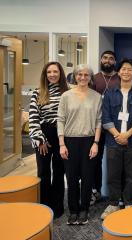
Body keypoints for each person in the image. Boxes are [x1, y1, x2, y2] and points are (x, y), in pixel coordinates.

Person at [100, 58, 132, 219]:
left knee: (131, 174)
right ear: (118, 72)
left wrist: (127, 135)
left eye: (129, 69)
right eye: (123, 69)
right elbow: (105, 118)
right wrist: (117, 135)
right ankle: (113, 204)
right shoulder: (109, 93)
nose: (126, 72)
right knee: (113, 174)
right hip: (113, 141)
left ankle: (129, 203)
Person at [57, 64, 102, 225]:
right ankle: (73, 210)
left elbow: (98, 122)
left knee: (88, 178)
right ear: (75, 76)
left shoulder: (96, 97)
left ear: (90, 77)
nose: (83, 77)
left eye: (86, 75)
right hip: (69, 140)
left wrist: (96, 143)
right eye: (80, 74)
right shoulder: (66, 96)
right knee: (72, 177)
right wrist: (62, 144)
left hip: (89, 141)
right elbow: (60, 120)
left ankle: (84, 210)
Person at [29, 62, 69, 218]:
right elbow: (33, 117)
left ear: (61, 74)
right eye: (49, 72)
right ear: (45, 75)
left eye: (55, 71)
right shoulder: (38, 93)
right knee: (44, 172)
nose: (52, 74)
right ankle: (45, 205)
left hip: (61, 135)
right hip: (43, 135)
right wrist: (40, 139)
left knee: (59, 172)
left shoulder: (67, 92)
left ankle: (58, 206)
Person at [91, 50, 120, 205]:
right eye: (105, 58)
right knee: (95, 160)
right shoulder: (94, 78)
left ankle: (117, 194)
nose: (107, 60)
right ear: (101, 60)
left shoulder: (120, 78)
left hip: (115, 126)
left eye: (111, 58)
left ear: (115, 62)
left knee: (115, 160)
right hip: (96, 126)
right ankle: (96, 190)